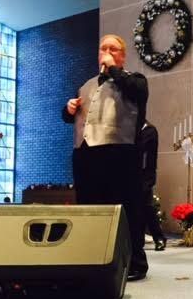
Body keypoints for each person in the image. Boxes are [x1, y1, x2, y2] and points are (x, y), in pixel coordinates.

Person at [62, 34, 149, 281]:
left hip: (120, 153)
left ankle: (135, 263)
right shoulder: (85, 85)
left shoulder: (135, 80)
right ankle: (92, 257)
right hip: (86, 154)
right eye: (104, 48)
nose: (108, 52)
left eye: (114, 49)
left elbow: (137, 92)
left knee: (127, 209)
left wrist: (114, 70)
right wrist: (68, 109)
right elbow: (69, 118)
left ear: (123, 56)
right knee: (89, 208)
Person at [140, 120, 166, 251]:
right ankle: (137, 240)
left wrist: (149, 179)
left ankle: (159, 237)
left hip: (145, 174)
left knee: (147, 207)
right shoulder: (128, 129)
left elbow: (150, 157)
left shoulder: (149, 130)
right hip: (130, 173)